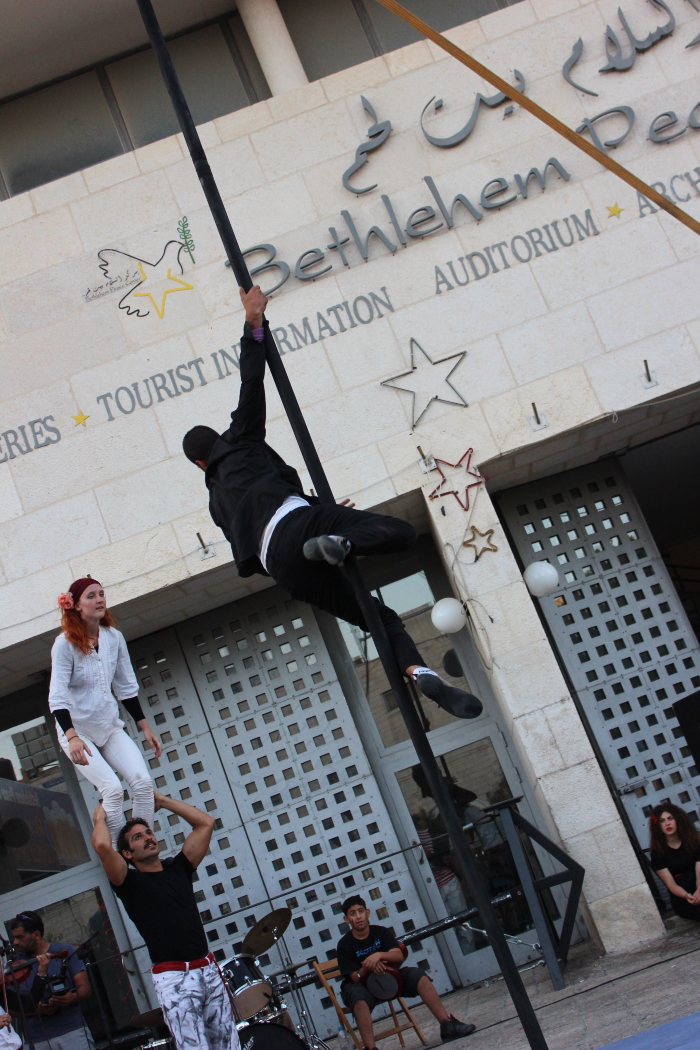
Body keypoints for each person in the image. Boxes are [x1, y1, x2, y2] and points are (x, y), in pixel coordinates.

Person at [182, 286, 482, 722]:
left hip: (283, 567)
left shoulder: (216, 505)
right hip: (300, 525)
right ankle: (341, 542)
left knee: (378, 619)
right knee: (400, 533)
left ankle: (419, 672)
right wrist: (253, 324)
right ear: (217, 443)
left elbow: (248, 557)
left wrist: (308, 514)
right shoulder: (238, 441)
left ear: (199, 465)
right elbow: (251, 381)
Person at [91, 792, 239, 1050]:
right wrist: (99, 817)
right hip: (174, 977)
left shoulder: (178, 867)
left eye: (148, 832)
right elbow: (103, 846)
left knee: (230, 1045)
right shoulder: (129, 882)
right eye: (138, 837)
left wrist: (163, 801)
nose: (148, 837)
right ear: (127, 853)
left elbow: (206, 823)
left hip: (206, 968)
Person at [49, 577, 161, 847]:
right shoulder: (64, 644)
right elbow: (57, 697)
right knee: (112, 789)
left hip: (108, 725)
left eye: (101, 594)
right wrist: (72, 737)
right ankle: (118, 853)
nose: (99, 599)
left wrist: (145, 727)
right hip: (76, 731)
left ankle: (140, 846)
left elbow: (126, 687)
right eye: (91, 596)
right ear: (76, 605)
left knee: (143, 782)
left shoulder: (114, 638)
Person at [337, 895, 475, 1048]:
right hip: (362, 986)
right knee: (358, 997)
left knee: (418, 976)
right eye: (353, 914)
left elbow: (398, 955)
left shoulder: (381, 932)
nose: (358, 916)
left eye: (361, 911)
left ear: (367, 913)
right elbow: (355, 978)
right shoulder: (344, 944)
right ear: (346, 919)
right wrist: (369, 966)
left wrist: (379, 956)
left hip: (388, 977)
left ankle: (447, 1025)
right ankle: (370, 1048)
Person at [7, 910, 92, 1050]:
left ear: (36, 934)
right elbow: (10, 1009)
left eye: (20, 937)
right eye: (14, 938)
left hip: (72, 1030)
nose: (15, 942)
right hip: (37, 1039)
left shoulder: (65, 950)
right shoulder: (14, 967)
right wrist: (36, 1010)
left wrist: (71, 997)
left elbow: (84, 988)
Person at [649, 803, 700, 921]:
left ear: (678, 820)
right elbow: (671, 884)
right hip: (682, 896)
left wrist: (699, 891)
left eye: (670, 818)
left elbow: (699, 872)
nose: (667, 823)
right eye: (662, 821)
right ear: (658, 826)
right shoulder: (657, 853)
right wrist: (686, 895)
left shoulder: (694, 841)